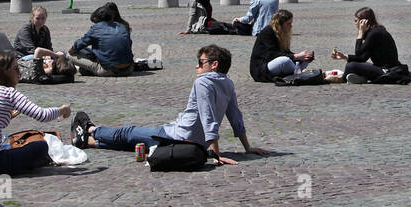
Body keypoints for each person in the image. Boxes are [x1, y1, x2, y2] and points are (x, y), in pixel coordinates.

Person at [74, 44, 269, 161]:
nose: (197, 66)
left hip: (178, 135)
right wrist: (247, 147)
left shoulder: (203, 82)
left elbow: (208, 117)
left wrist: (216, 156)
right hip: (194, 141)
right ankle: (90, 142)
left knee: (128, 132)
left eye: (201, 62)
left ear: (214, 65)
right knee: (136, 142)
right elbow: (235, 117)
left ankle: (91, 130)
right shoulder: (228, 83)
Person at [0, 51, 72, 177]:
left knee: (7, 143)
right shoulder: (8, 93)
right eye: (16, 69)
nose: (20, 73)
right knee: (41, 146)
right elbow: (42, 115)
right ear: (4, 72)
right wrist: (62, 110)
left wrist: (8, 114)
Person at [330, 7, 402, 82]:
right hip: (384, 70)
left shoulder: (375, 33)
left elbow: (358, 52)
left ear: (364, 22)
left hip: (387, 72)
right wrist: (344, 56)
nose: (355, 24)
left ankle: (341, 79)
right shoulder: (373, 32)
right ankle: (360, 78)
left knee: (351, 65)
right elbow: (363, 58)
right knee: (351, 64)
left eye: (356, 21)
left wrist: (360, 32)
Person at [69, 3, 135, 76]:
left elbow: (80, 43)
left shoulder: (96, 28)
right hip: (129, 69)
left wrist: (71, 51)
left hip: (108, 70)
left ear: (97, 19)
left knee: (67, 56)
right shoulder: (123, 26)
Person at [249, 10, 314, 82]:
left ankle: (297, 73)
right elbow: (273, 54)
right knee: (285, 60)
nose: (291, 26)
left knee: (304, 60)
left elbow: (285, 52)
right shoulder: (268, 32)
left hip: (274, 65)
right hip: (262, 69)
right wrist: (296, 56)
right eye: (288, 23)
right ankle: (299, 75)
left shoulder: (282, 34)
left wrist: (303, 57)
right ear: (280, 24)